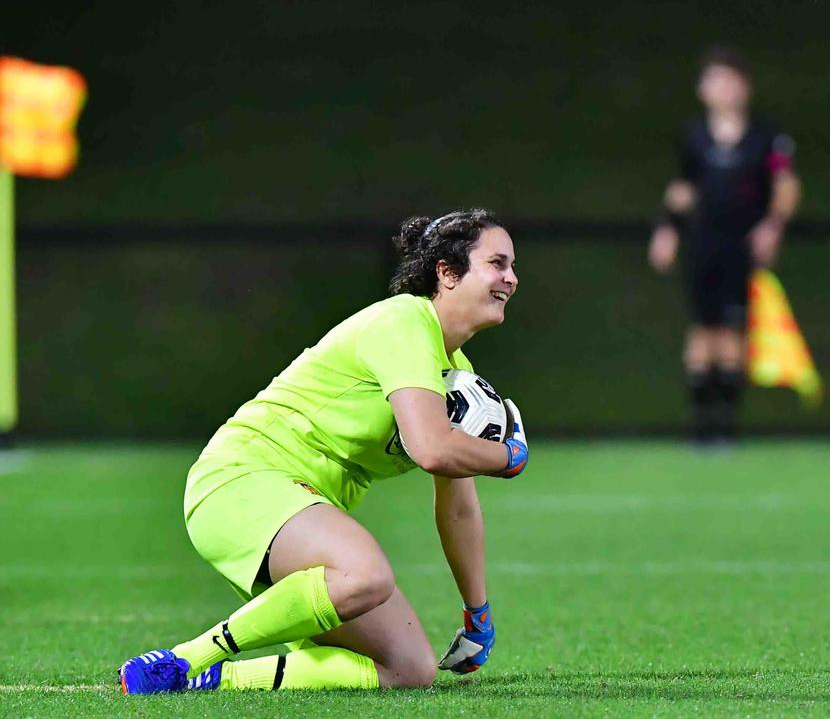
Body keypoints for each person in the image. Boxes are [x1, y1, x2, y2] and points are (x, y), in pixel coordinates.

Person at [117, 208, 529, 693]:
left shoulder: (456, 371)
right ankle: (183, 659)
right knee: (364, 573)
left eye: (513, 266)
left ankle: (210, 679)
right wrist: (511, 457)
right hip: (241, 480)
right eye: (497, 263)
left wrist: (477, 613)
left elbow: (457, 506)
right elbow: (432, 450)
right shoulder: (403, 323)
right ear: (447, 271)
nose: (511, 278)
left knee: (408, 669)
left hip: (292, 514)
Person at [648, 45, 801, 444]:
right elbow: (683, 189)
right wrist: (668, 230)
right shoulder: (694, 136)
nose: (724, 89)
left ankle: (727, 426)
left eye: (731, 81)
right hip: (703, 242)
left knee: (733, 331)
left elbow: (786, 186)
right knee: (703, 330)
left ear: (745, 87)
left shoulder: (767, 137)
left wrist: (772, 227)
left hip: (741, 245)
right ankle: (700, 424)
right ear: (703, 89)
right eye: (715, 81)